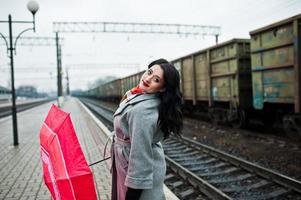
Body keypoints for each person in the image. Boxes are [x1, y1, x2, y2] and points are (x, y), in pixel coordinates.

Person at [111, 58, 183, 200]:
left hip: (133, 172)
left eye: (156, 79)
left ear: (162, 88)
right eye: (149, 72)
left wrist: (132, 196)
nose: (148, 79)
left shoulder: (142, 111)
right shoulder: (143, 96)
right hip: (128, 162)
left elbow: (140, 157)